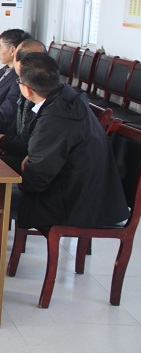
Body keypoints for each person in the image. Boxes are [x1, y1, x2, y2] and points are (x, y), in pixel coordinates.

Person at [12, 53, 129, 230]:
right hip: (89, 195)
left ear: (27, 90)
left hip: (75, 205)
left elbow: (34, 182)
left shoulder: (55, 118)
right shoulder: (66, 95)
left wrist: (26, 168)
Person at [0, 39, 47, 172]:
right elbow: (17, 122)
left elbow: (29, 140)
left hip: (29, 159)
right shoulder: (25, 82)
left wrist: (4, 142)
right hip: (18, 148)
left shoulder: (39, 90)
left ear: (19, 64)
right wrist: (4, 141)